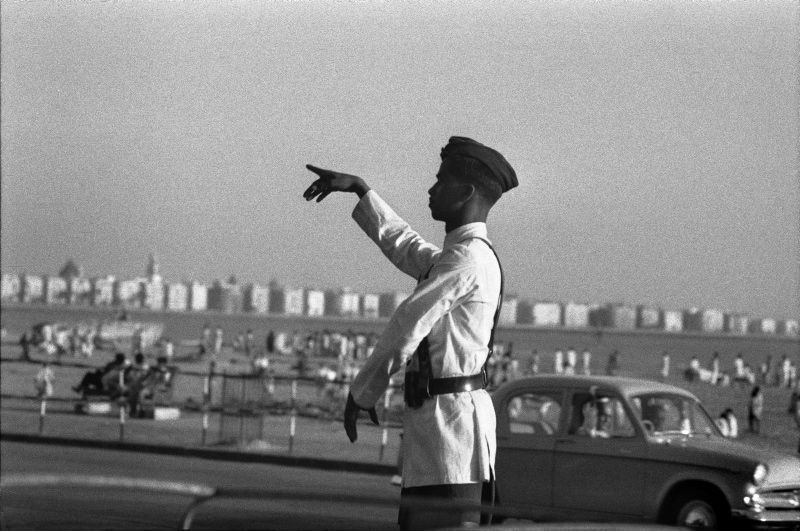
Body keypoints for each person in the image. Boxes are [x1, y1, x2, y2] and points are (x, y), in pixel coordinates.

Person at [304, 136, 517, 530]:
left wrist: (363, 392)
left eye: (441, 180)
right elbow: (405, 246)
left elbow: (407, 325)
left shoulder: (466, 259)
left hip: (450, 433)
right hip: (441, 428)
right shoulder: (460, 255)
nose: (431, 189)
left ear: (465, 192)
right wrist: (361, 190)